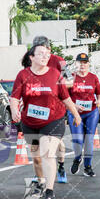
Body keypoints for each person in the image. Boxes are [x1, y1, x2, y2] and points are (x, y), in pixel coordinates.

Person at [10, 44, 81, 199]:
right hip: (30, 122)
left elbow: (65, 98)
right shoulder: (23, 75)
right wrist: (14, 110)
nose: (45, 56)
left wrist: (75, 114)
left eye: (47, 54)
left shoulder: (55, 74)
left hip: (53, 120)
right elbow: (14, 96)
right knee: (36, 157)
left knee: (48, 152)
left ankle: (50, 190)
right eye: (41, 54)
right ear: (32, 57)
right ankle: (41, 181)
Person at [32, 35, 67, 182]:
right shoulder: (31, 59)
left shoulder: (60, 61)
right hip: (37, 106)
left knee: (56, 142)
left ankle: (61, 165)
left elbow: (69, 80)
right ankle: (40, 172)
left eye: (43, 50)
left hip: (56, 106)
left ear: (49, 49)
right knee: (37, 143)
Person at [67, 53, 100, 177]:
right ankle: (77, 158)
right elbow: (64, 97)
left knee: (89, 139)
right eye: (80, 63)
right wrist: (74, 106)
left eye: (85, 63)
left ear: (88, 64)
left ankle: (87, 166)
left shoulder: (93, 77)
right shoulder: (71, 78)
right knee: (78, 139)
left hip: (91, 112)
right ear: (76, 64)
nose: (82, 65)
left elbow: (99, 94)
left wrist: (99, 101)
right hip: (75, 112)